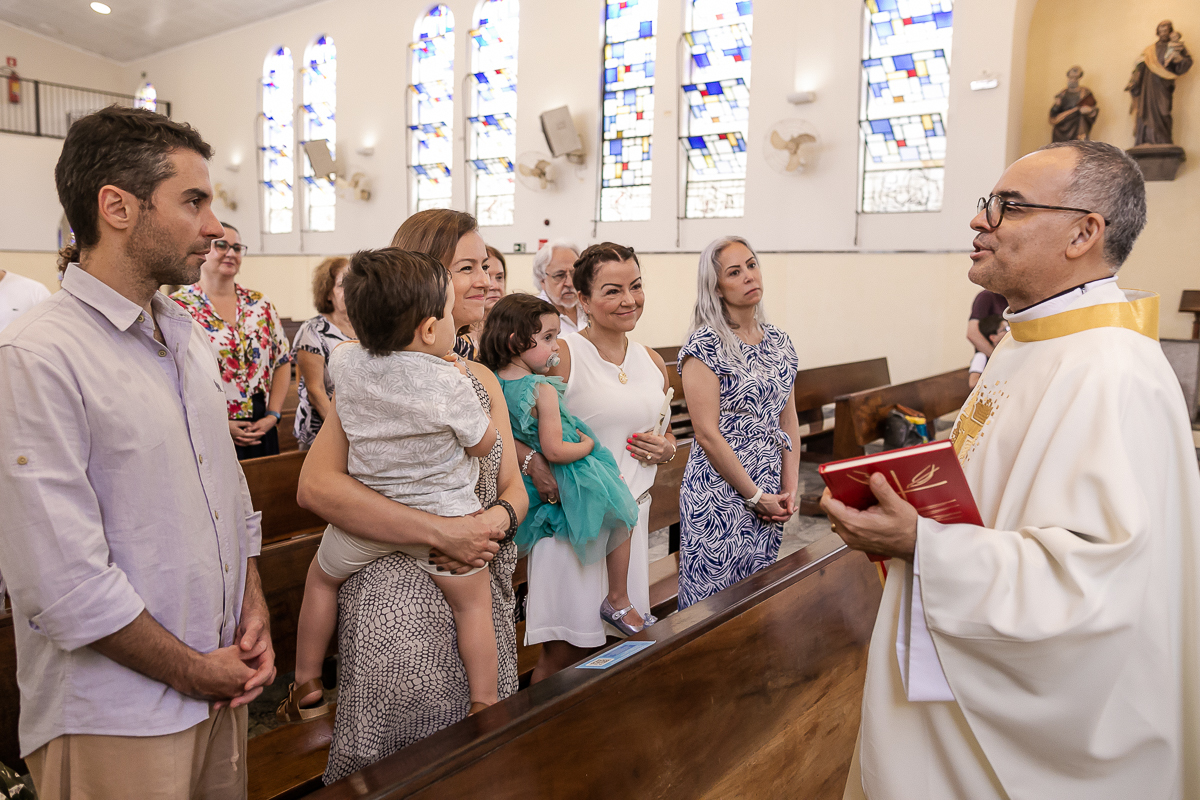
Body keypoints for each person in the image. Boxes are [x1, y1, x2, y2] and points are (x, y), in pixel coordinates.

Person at [824, 139, 1200, 799]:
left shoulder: (1110, 371)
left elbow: (1095, 589)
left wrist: (923, 544)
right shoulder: (1031, 341)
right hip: (958, 662)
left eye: (1010, 207)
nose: (979, 221)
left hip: (1037, 731)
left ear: (1086, 232)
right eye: (986, 203)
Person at [0, 106, 273, 799]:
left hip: (218, 684)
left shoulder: (183, 334)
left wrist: (254, 610)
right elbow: (62, 581)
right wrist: (189, 669)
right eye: (193, 201)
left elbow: (227, 498)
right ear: (117, 207)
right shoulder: (38, 356)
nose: (214, 226)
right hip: (113, 714)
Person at [295, 208, 527, 783]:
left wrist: (492, 520)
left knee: (476, 768)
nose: (487, 280)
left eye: (489, 265)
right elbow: (315, 486)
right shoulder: (376, 379)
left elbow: (514, 488)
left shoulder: (482, 379)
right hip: (397, 603)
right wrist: (443, 530)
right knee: (402, 768)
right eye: (467, 268)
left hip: (477, 574)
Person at [524, 243, 676, 682]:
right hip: (575, 525)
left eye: (636, 286)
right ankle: (541, 742)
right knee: (564, 656)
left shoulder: (650, 361)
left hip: (631, 522)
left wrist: (666, 448)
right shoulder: (564, 357)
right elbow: (515, 426)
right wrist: (534, 462)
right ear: (583, 299)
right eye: (612, 291)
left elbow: (664, 430)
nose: (629, 299)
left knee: (614, 660)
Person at [482, 293, 648, 634]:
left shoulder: (491, 382)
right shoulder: (541, 387)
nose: (556, 347)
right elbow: (555, 449)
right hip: (572, 469)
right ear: (516, 341)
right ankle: (617, 598)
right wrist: (588, 445)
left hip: (526, 482)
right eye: (547, 338)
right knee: (625, 516)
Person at [677, 236, 801, 609]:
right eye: (735, 272)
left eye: (751, 264)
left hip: (767, 487)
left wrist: (788, 488)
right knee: (710, 609)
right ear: (715, 286)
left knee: (755, 602)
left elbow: (788, 419)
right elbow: (707, 434)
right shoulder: (704, 345)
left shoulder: (779, 341)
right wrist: (754, 495)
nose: (749, 276)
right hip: (719, 493)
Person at [172, 223, 292, 459]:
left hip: (261, 424)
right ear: (203, 249)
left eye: (237, 248)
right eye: (222, 245)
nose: (231, 253)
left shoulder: (260, 304)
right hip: (207, 424)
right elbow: (173, 374)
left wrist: (273, 416)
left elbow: (282, 360)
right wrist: (221, 423)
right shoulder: (180, 307)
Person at [291, 257, 355, 450]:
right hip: (323, 430)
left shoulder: (367, 327)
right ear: (328, 293)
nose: (350, 290)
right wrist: (344, 435)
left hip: (359, 429)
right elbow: (315, 391)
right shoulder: (313, 330)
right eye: (342, 285)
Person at [1125, 20, 1192, 146]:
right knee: (1145, 111)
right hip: (1147, 85)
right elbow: (1139, 67)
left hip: (1164, 85)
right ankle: (1145, 140)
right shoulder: (1149, 50)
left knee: (1164, 111)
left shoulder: (1176, 46)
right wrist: (1134, 81)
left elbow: (1186, 62)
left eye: (1166, 31)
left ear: (1171, 32)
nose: (1163, 33)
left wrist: (1179, 59)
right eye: (1161, 31)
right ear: (1157, 32)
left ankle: (1163, 141)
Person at [532, 240, 586, 335]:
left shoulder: (589, 307)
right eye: (560, 275)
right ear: (542, 280)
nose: (570, 283)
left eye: (574, 274)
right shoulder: (533, 317)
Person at [464, 245, 508, 352]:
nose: (494, 286)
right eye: (487, 275)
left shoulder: (514, 327)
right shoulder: (456, 334)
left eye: (499, 277)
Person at [1049, 66, 1099, 142]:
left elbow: (1093, 109)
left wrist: (1090, 111)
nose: (1073, 80)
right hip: (1062, 127)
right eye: (1071, 77)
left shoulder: (1085, 92)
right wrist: (1057, 105)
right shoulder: (1062, 94)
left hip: (1079, 127)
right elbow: (1054, 113)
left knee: (1079, 148)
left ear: (1079, 78)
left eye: (1075, 78)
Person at [967, 314, 1007, 388]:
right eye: (1005, 329)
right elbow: (973, 383)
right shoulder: (981, 356)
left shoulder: (1006, 353)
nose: (1009, 331)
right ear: (993, 337)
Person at [966, 288, 1007, 357]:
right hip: (989, 358)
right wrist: (995, 358)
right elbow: (972, 333)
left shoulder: (1015, 299)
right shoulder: (986, 296)